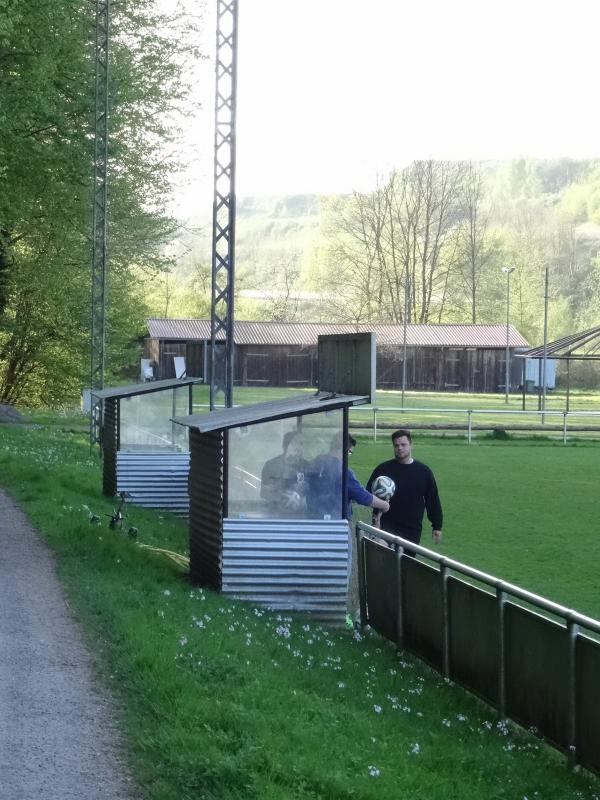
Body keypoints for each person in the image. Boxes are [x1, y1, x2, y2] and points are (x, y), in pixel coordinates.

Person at [367, 429, 443, 555]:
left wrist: (437, 526)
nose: (400, 448)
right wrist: (376, 518)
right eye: (396, 445)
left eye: (403, 445)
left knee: (405, 568)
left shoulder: (424, 472)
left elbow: (432, 499)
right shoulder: (383, 469)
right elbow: (368, 494)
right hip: (386, 526)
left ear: (411, 445)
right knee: (383, 561)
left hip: (411, 530)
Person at [308, 434, 389, 520]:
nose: (349, 455)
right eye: (350, 452)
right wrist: (385, 505)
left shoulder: (316, 462)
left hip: (311, 519)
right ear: (343, 449)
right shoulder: (343, 472)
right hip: (336, 523)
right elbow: (362, 496)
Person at [260, 430, 309, 516]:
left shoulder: (307, 466)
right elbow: (264, 493)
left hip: (300, 517)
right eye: (294, 443)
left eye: (301, 444)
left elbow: (312, 493)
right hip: (275, 515)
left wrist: (302, 500)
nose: (298, 447)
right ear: (285, 446)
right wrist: (283, 498)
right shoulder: (272, 465)